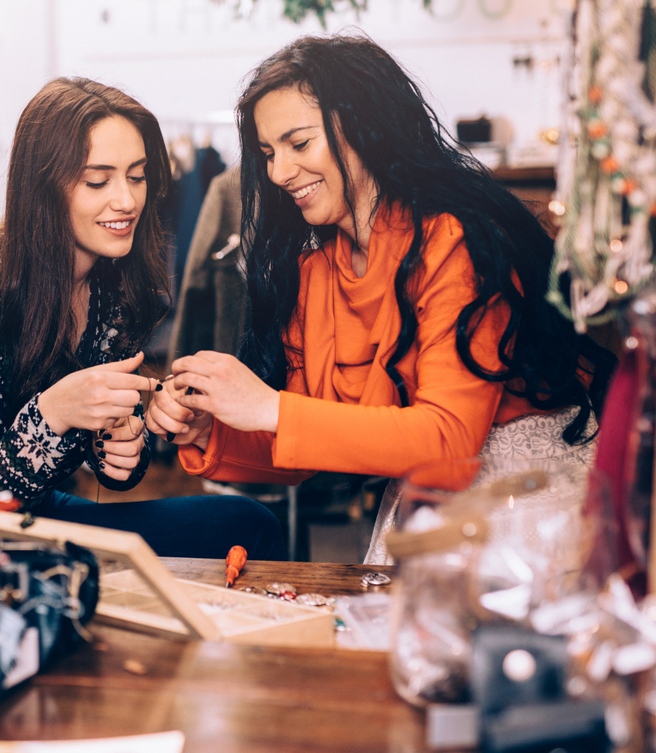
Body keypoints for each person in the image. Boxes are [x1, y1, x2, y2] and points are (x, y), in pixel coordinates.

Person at [146, 34, 616, 562]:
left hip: (525, 516)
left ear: (364, 128)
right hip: (430, 512)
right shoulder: (317, 272)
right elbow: (310, 440)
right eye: (268, 154)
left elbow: (448, 438)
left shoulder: (454, 243)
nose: (278, 173)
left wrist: (269, 407)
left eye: (298, 144)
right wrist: (214, 430)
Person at [0, 77, 286, 560]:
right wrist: (54, 413)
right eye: (98, 181)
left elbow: (110, 464)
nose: (127, 200)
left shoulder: (113, 285)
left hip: (29, 514)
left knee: (246, 524)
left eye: (136, 176)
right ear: (44, 188)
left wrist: (120, 445)